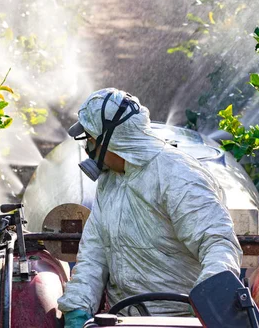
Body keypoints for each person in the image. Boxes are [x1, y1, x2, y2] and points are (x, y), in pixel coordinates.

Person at [57, 88, 243, 328]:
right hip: (121, 320)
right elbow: (94, 255)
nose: (88, 149)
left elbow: (218, 243)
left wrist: (208, 304)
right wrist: (78, 308)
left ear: (109, 141)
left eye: (90, 140)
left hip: (184, 321)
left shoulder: (177, 175)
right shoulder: (110, 182)